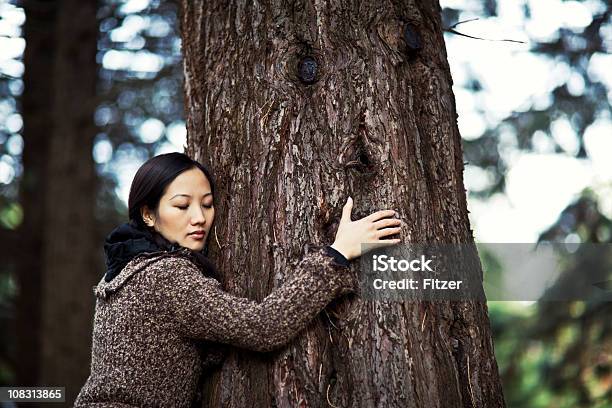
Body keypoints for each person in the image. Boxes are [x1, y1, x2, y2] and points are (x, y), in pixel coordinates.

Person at [75, 152, 402, 407]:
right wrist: (337, 254)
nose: (199, 218)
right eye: (182, 206)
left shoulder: (124, 271)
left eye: (207, 204)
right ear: (148, 214)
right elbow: (263, 327)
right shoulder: (165, 275)